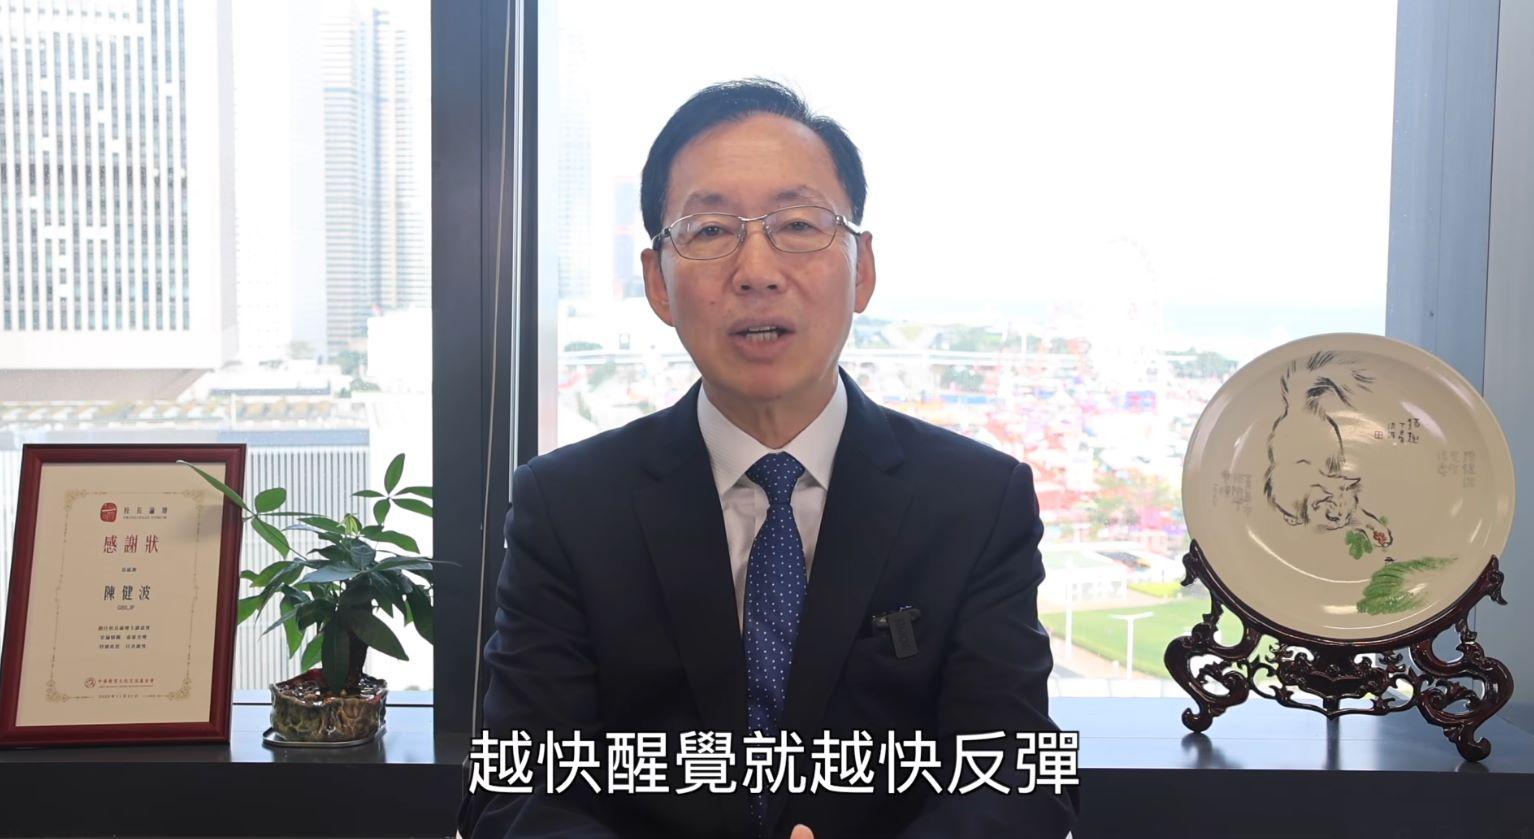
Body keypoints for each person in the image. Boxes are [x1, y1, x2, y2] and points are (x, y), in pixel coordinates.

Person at [461, 79, 1079, 839]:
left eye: (797, 224)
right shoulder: (566, 507)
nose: (756, 270)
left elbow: (1019, 780)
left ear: (863, 268)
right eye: (710, 230)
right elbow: (513, 792)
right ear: (657, 281)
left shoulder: (976, 501)